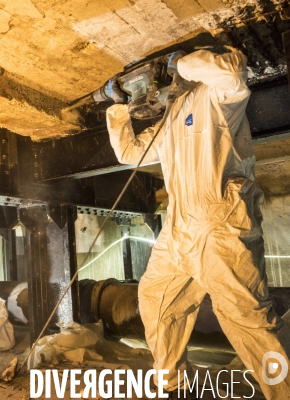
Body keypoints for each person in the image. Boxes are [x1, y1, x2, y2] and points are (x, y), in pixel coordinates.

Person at [106, 49, 290, 399]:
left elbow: (233, 73)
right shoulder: (172, 118)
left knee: (246, 320)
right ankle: (173, 384)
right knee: (156, 298)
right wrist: (117, 108)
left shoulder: (216, 97)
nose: (160, 92)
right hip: (178, 227)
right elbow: (130, 153)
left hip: (220, 223)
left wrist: (181, 62)